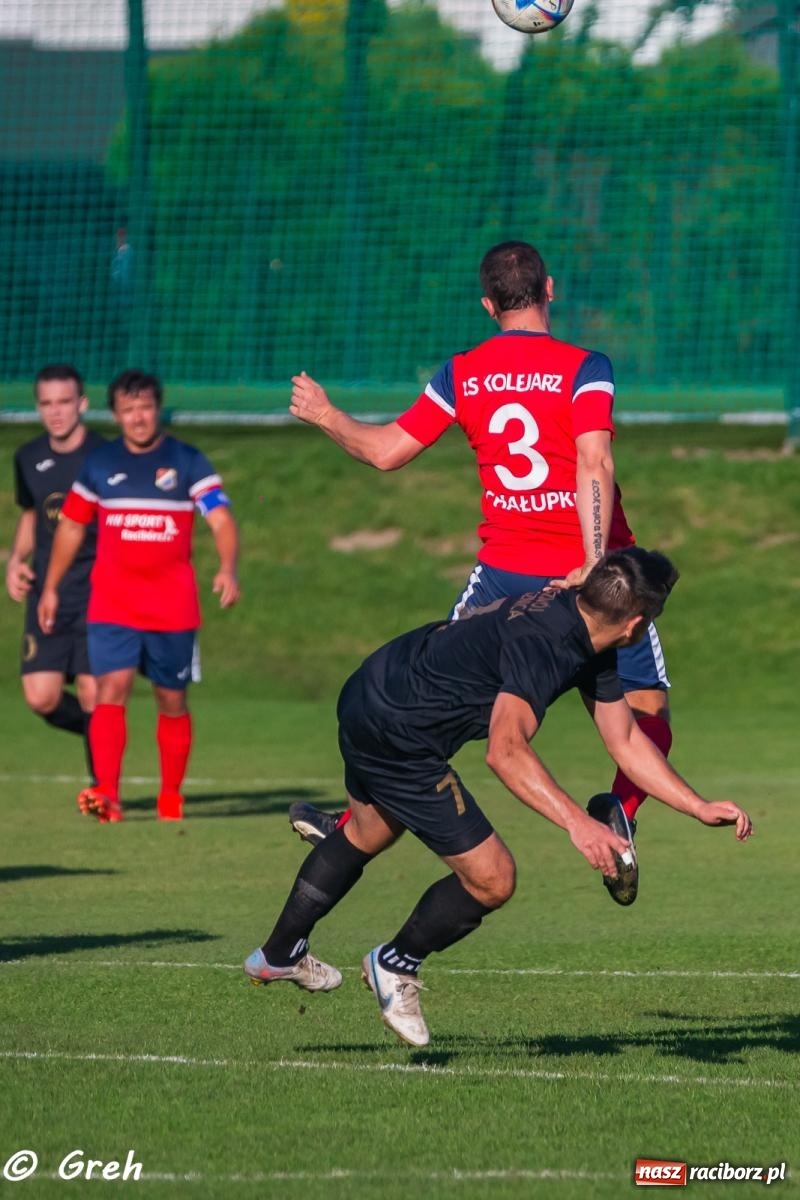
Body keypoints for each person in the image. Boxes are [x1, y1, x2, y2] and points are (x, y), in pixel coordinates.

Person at [243, 550, 752, 1048]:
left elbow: (625, 740)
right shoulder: (548, 644)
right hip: (402, 735)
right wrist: (579, 823)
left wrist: (696, 805)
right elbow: (505, 751)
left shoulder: (584, 627)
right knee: (492, 879)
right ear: (636, 623)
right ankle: (395, 963)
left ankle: (279, 951)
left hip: (373, 687)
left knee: (368, 831)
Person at [287, 241, 669, 904]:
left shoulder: (463, 372)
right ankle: (621, 812)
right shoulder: (586, 367)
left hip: (500, 581)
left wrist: (326, 414)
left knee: (437, 710)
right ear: (550, 288)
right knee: (645, 712)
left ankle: (351, 827)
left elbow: (385, 453)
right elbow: (593, 464)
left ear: (488, 303)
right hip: (592, 580)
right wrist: (595, 560)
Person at [37, 368, 241, 823]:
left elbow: (221, 519)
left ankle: (171, 796)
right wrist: (49, 587)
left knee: (171, 699)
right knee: (111, 688)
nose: (138, 418)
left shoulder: (188, 461)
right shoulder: (100, 465)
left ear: (157, 408)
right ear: (116, 414)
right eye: (128, 410)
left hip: (173, 606)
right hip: (113, 602)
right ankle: (107, 794)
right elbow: (70, 526)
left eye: (145, 407)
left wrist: (227, 567)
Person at [5, 364, 105, 787]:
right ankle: (103, 736)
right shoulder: (27, 457)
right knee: (41, 696)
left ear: (81, 404)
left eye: (64, 402)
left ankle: (105, 794)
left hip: (97, 592)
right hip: (47, 590)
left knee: (91, 692)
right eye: (46, 403)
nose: (56, 412)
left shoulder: (106, 457)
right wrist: (15, 559)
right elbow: (32, 514)